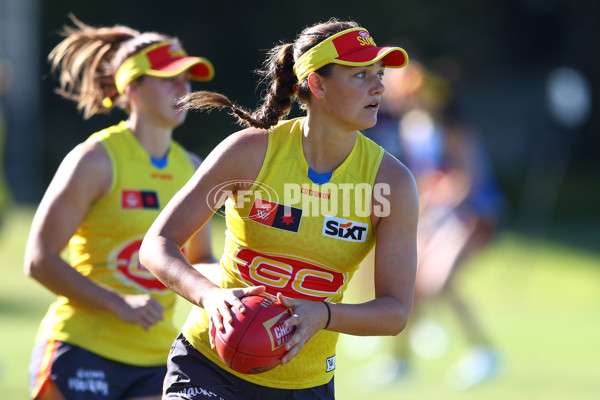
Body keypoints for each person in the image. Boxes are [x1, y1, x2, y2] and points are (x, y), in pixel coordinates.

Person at [139, 18, 419, 399]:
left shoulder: (392, 184)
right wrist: (209, 296)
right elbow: (158, 243)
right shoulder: (249, 153)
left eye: (379, 73)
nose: (380, 86)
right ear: (318, 84)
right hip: (208, 365)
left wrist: (325, 315)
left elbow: (395, 312)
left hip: (306, 385)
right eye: (360, 75)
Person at [24, 14, 216, 400]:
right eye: (168, 78)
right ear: (133, 87)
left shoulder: (193, 168)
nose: (183, 87)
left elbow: (199, 258)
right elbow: (39, 260)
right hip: (82, 350)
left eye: (186, 77)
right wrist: (118, 304)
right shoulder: (94, 160)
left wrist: (230, 291)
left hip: (153, 358)